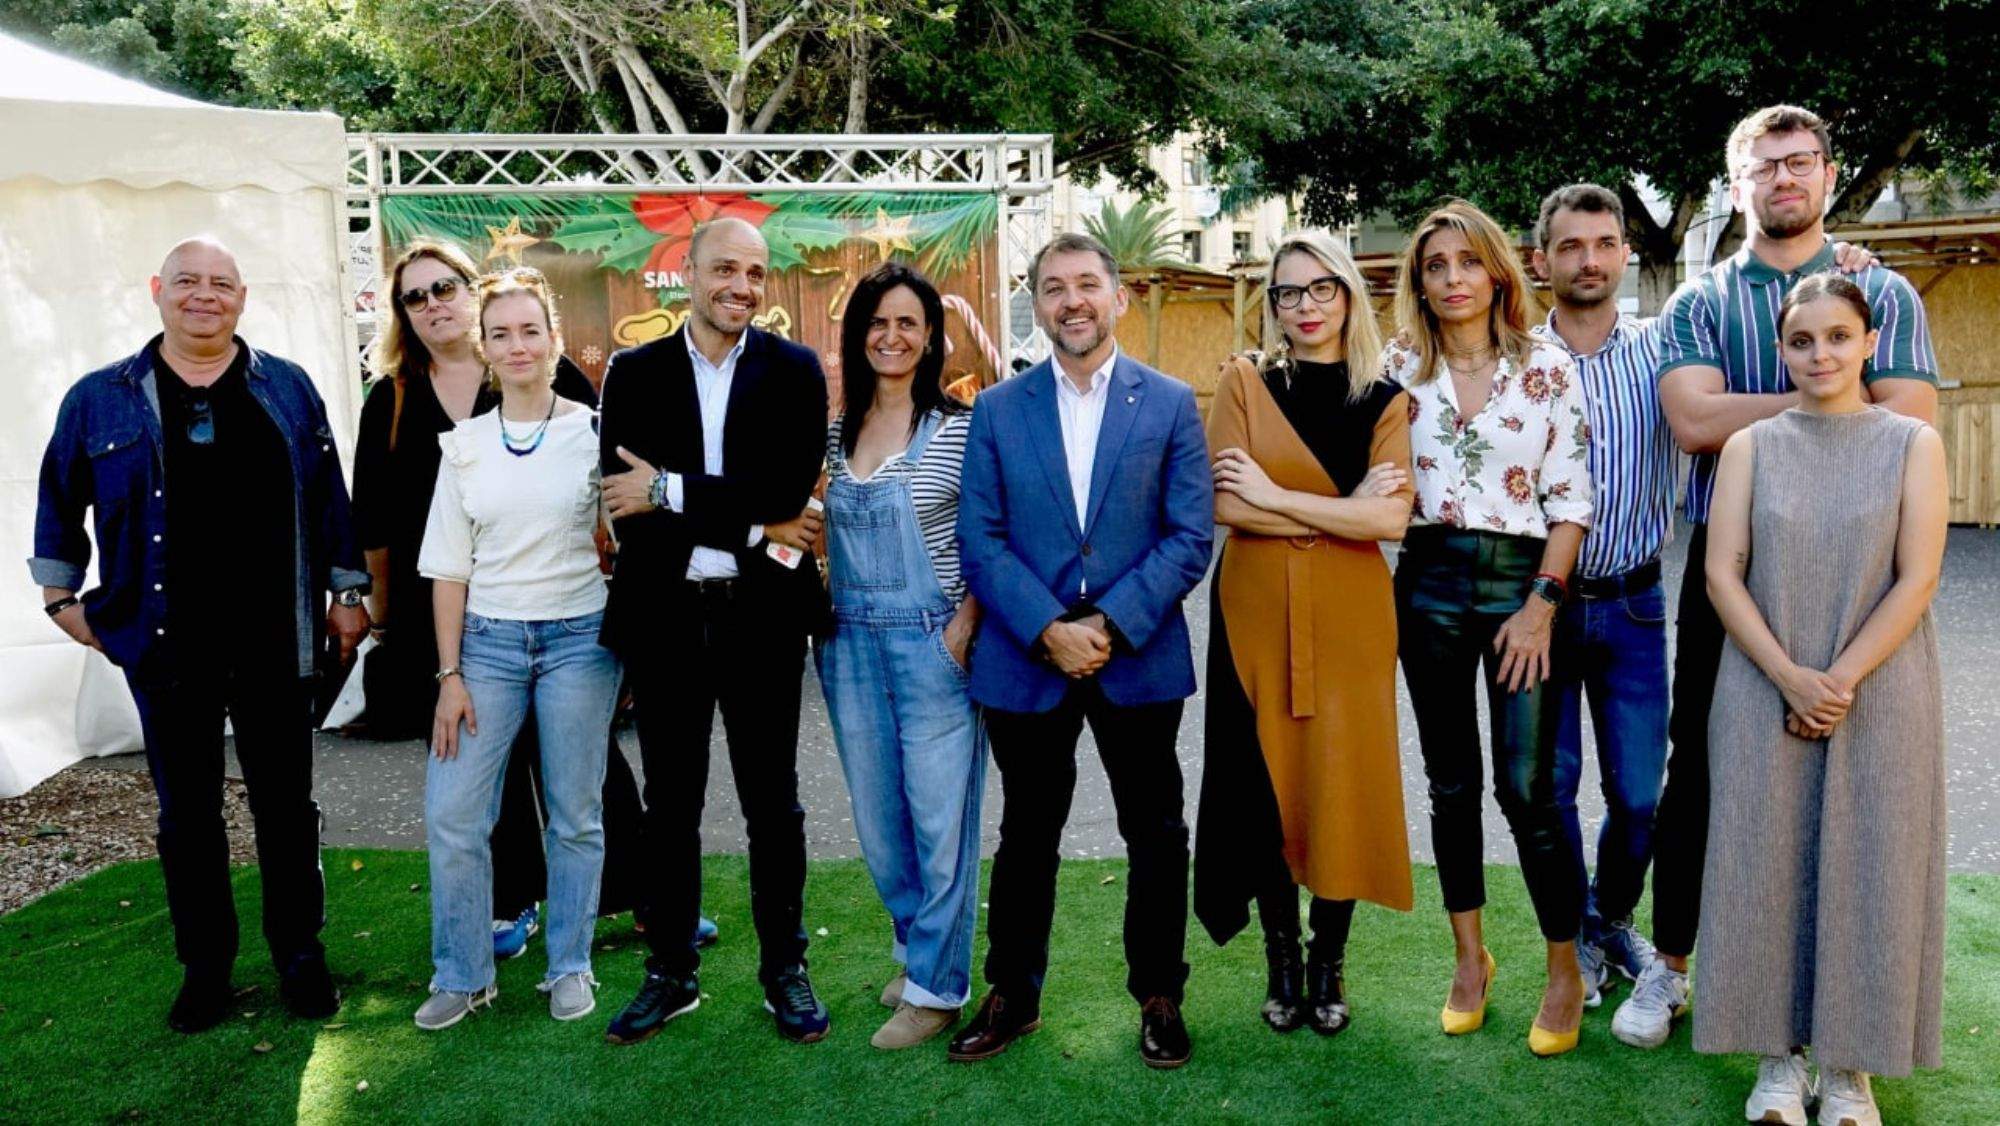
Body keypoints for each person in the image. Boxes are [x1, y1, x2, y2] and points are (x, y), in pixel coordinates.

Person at [1622, 104, 1941, 1052]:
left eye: (1802, 162)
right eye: (1764, 166)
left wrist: (1762, 404)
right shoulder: (1702, 300)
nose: (1784, 179)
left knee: (1854, 781)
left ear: (1831, 174)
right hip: (1737, 568)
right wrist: (1828, 396)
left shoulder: (1883, 293)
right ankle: (1671, 969)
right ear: (1737, 183)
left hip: (1860, 569)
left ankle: (1840, 1011)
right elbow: (1691, 422)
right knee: (1705, 773)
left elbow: (1911, 415)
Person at [31, 236, 368, 1032]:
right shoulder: (99, 398)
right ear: (158, 290)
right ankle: (206, 970)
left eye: (221, 284)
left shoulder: (286, 389)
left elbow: (328, 496)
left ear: (242, 299)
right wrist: (59, 599)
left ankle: (299, 956)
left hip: (275, 639)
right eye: (188, 282)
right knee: (187, 815)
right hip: (162, 644)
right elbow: (59, 495)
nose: (203, 296)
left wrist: (348, 591)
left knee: (287, 809)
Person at [348, 239, 711, 963]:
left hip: (563, 612)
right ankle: (511, 906)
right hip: (449, 613)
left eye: (442, 287)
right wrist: (377, 611)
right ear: (402, 315)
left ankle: (634, 893)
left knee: (586, 765)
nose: (431, 304)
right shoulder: (391, 400)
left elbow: (608, 486)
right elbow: (376, 518)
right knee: (486, 773)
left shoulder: (547, 376)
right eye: (413, 297)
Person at [947, 232, 1213, 1068]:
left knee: (1157, 831)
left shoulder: (1169, 403)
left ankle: (1160, 994)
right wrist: (1047, 629)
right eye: (1054, 287)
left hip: (1136, 656)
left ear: (1118, 296)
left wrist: (1109, 625)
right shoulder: (997, 408)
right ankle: (1014, 996)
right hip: (1028, 657)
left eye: (1088, 284)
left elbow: (1189, 534)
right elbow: (980, 540)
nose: (1073, 301)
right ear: (1037, 303)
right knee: (1026, 832)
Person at [1695, 274, 1947, 1126]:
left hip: (1882, 688)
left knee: (1874, 866)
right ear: (1781, 350)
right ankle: (1776, 1061)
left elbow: (1919, 577)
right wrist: (1791, 677)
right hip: (1763, 682)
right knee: (1762, 862)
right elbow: (1721, 574)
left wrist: (1837, 681)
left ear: (1871, 342)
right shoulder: (1751, 447)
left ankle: (1851, 1070)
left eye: (1839, 336)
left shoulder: (1913, 442)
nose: (1821, 354)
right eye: (1802, 341)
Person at [598, 217, 832, 1046]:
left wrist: (671, 490)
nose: (743, 286)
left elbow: (786, 485)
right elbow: (629, 511)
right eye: (726, 269)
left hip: (763, 619)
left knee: (774, 805)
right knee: (671, 807)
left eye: (757, 273)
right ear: (687, 273)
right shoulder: (633, 373)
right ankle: (671, 972)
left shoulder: (798, 370)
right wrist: (753, 526)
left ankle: (785, 969)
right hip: (665, 616)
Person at [1382, 200, 1593, 1057]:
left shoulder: (1546, 366)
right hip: (1427, 580)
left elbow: (1572, 502)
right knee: (1450, 782)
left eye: (1468, 263)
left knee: (1529, 788)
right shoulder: (1397, 367)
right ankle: (1470, 960)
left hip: (1523, 583)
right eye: (1436, 267)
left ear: (1498, 272)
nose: (1453, 280)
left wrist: (1543, 603)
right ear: (1420, 284)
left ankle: (1564, 968)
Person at [1193, 230, 1414, 1037]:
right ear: (1272, 303)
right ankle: (1281, 962)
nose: (1306, 306)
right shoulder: (1246, 381)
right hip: (1253, 609)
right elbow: (1225, 503)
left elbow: (1390, 518)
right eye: (1289, 292)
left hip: (1354, 616)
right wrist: (1341, 509)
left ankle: (1329, 963)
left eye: (1322, 288)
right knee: (1264, 786)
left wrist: (1282, 499)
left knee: (1339, 783)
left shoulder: (1386, 397)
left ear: (1348, 294)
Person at [412, 267, 620, 1029]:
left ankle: (569, 964)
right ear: (486, 349)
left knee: (575, 813)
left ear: (553, 340)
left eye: (531, 330)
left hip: (579, 642)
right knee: (454, 814)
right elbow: (448, 570)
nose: (517, 344)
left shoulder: (595, 434)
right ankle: (463, 972)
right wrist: (450, 674)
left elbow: (623, 536)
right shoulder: (463, 446)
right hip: (488, 647)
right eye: (501, 334)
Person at [816, 262, 984, 1050]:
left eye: (908, 323)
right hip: (848, 643)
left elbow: (993, 535)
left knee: (940, 821)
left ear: (930, 337)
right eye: (877, 323)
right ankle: (916, 949)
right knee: (882, 824)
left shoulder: (959, 430)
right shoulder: (832, 434)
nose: (892, 336)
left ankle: (938, 988)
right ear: (859, 336)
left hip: (930, 642)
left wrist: (963, 628)